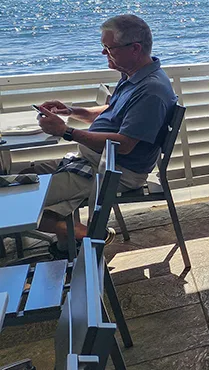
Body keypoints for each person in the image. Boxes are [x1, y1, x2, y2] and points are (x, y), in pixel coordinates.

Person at [32, 15, 176, 246]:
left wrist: (66, 132)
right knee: (19, 179)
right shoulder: (134, 76)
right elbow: (111, 111)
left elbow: (125, 144)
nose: (104, 54)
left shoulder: (151, 91)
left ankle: (90, 237)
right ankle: (72, 240)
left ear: (135, 49)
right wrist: (69, 111)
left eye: (109, 48)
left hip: (114, 171)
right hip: (91, 161)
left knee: (20, 199)